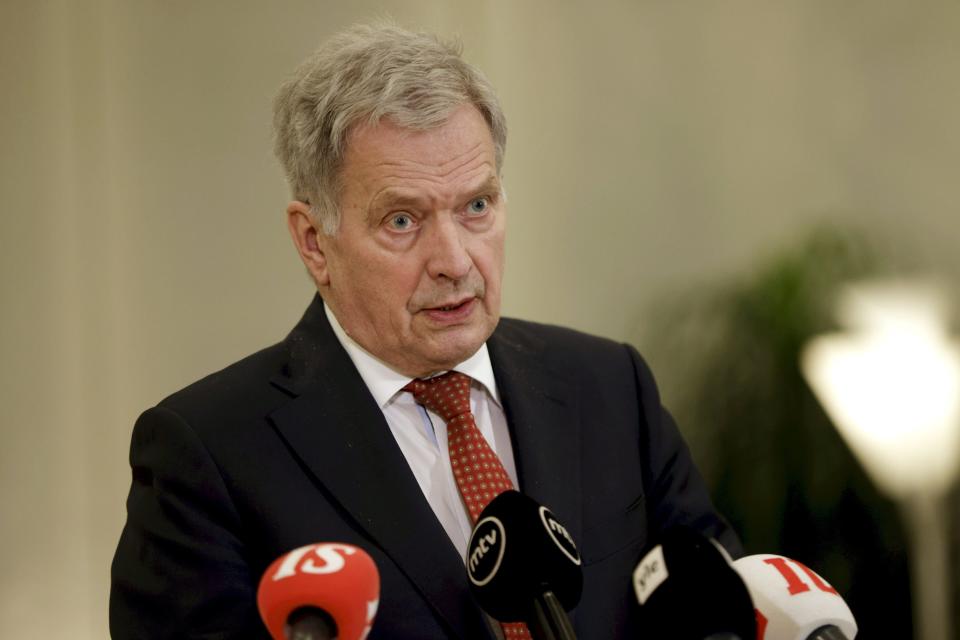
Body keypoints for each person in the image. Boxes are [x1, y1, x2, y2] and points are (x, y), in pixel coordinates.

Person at [110, 21, 740, 639]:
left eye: (476, 206)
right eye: (403, 220)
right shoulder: (209, 456)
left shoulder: (609, 387)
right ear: (314, 242)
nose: (455, 260)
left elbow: (721, 605)